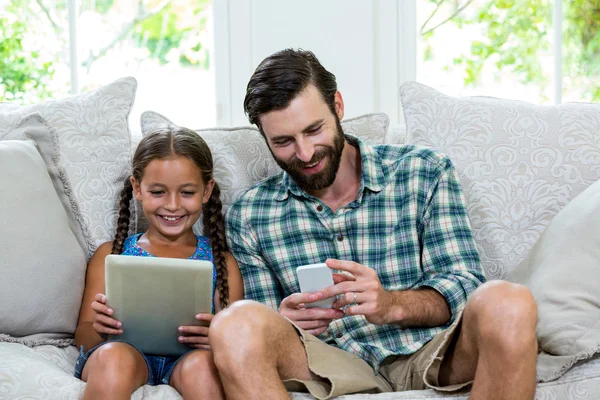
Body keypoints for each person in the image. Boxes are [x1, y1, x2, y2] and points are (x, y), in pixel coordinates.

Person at [209, 49, 538, 400]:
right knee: (234, 324)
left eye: (314, 129)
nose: (305, 154)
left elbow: (464, 285)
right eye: (283, 142)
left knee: (509, 301)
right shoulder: (250, 213)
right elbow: (262, 322)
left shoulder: (423, 171)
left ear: (337, 105)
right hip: (325, 360)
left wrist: (391, 304)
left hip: (429, 351)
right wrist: (285, 318)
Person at [74, 127, 243, 400]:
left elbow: (235, 341)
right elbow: (83, 335)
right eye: (158, 192)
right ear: (137, 188)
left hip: (190, 360)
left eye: (187, 192)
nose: (173, 205)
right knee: (113, 358)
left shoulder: (222, 263)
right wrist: (98, 329)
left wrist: (216, 338)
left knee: (203, 369)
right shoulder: (112, 254)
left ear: (206, 190)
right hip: (123, 354)